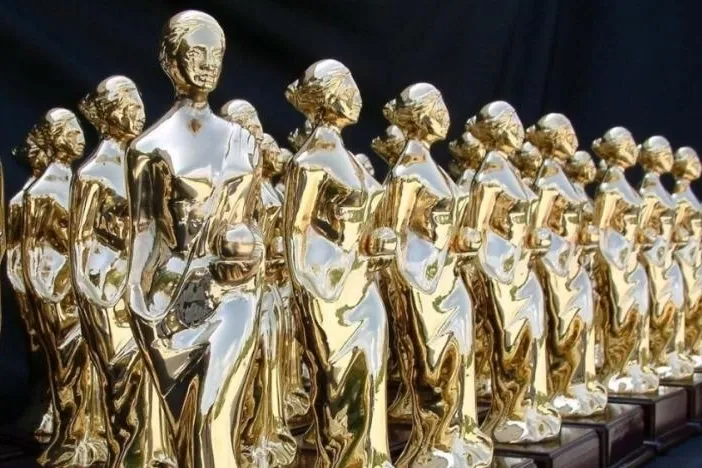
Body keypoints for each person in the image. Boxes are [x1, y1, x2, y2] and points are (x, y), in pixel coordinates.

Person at [124, 10, 264, 467]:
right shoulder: (148, 148)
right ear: (170, 60)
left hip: (235, 293)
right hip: (173, 297)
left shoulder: (243, 141)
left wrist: (255, 247)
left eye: (215, 54)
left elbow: (253, 218)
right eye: (195, 52)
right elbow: (144, 233)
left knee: (213, 412)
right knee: (186, 420)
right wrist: (136, 300)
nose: (207, 64)